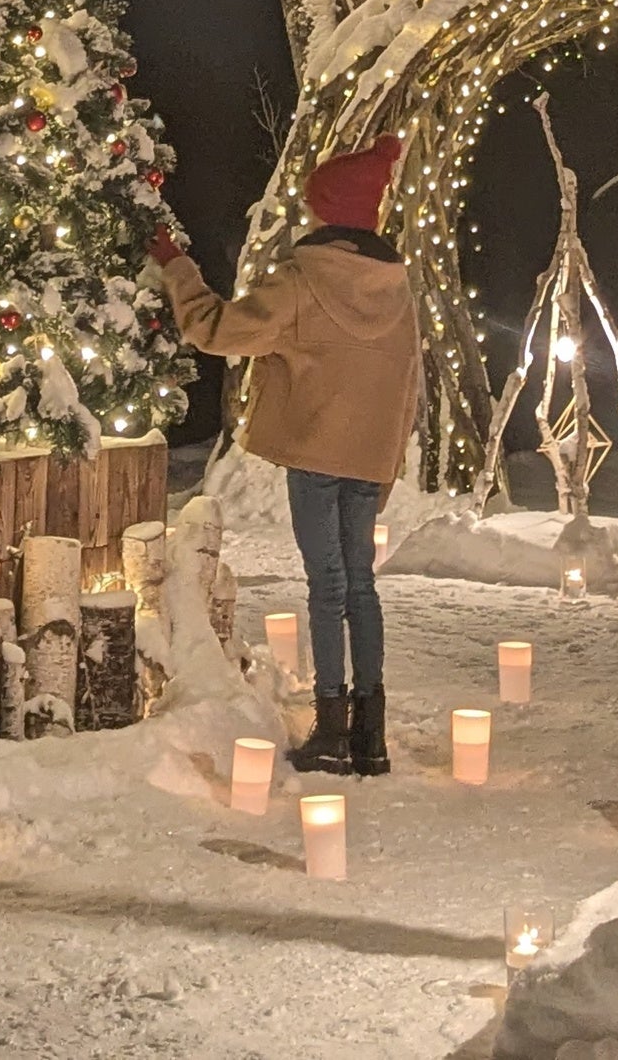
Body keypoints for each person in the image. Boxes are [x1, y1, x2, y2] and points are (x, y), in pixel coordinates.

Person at [148, 133, 420, 777]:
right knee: (361, 587)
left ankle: (332, 728)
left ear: (327, 210)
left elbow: (215, 329)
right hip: (368, 457)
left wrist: (174, 265)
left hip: (317, 455)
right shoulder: (397, 289)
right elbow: (409, 381)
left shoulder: (302, 281)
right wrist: (386, 462)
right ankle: (370, 732)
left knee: (327, 587)